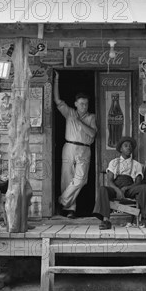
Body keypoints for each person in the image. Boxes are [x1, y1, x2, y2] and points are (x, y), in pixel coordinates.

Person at [54, 71, 97, 219]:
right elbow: (57, 100)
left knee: (81, 179)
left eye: (86, 104)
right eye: (81, 104)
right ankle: (70, 209)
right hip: (69, 146)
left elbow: (92, 133)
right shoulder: (70, 112)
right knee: (67, 178)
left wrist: (79, 123)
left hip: (84, 148)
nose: (84, 106)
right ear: (76, 104)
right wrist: (57, 79)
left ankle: (62, 201)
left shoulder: (91, 117)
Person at [93, 136, 146, 230]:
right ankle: (106, 220)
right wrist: (117, 189)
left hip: (130, 188)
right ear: (120, 149)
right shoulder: (113, 162)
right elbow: (109, 180)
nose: (129, 147)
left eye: (130, 146)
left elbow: (138, 182)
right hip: (116, 188)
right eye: (126, 145)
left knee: (144, 187)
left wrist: (127, 188)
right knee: (102, 189)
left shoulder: (136, 164)